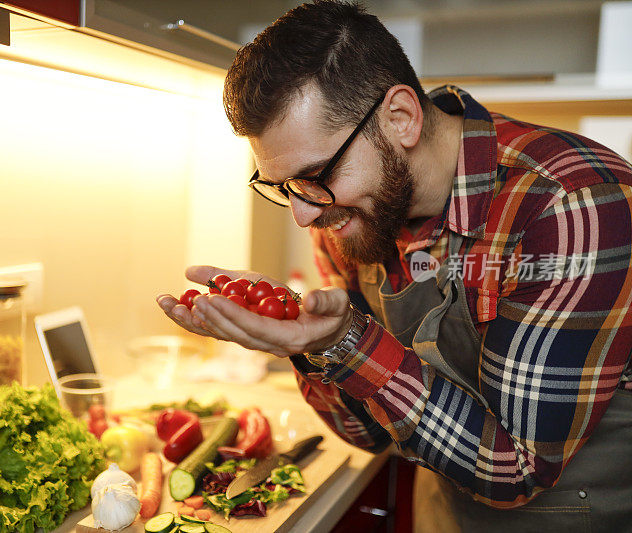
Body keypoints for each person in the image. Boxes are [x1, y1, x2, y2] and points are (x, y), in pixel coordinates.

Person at [156, 1, 632, 531]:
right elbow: (371, 433)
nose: (302, 212)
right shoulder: (348, 220)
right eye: (285, 185)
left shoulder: (571, 203)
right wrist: (308, 343)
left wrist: (348, 343)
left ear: (401, 118)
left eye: (316, 174)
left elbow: (517, 469)